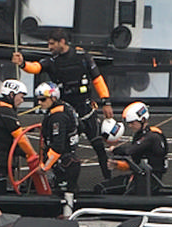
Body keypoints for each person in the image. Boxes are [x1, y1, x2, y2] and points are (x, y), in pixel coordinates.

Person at [11, 28, 114, 179]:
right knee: (61, 148)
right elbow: (36, 68)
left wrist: (106, 101)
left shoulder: (83, 57)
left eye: (52, 44)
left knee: (99, 147)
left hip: (86, 110)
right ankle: (57, 180)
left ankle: (108, 180)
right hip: (66, 113)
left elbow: (97, 79)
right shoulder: (52, 61)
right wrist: (22, 64)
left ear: (62, 42)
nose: (49, 47)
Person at [0, 79, 40, 194]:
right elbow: (20, 138)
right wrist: (32, 155)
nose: (22, 101)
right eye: (21, 97)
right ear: (11, 95)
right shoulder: (6, 112)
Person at [101, 101, 168, 195]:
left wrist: (115, 150)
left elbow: (130, 150)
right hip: (140, 176)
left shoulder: (152, 136)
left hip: (149, 181)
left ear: (143, 120)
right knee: (101, 188)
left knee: (105, 191)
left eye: (132, 123)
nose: (130, 126)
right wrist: (118, 165)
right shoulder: (141, 136)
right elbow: (136, 163)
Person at [34, 81, 81, 194]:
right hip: (69, 161)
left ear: (54, 98)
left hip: (64, 164)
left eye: (43, 99)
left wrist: (45, 166)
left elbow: (57, 147)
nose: (40, 102)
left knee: (62, 199)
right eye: (38, 99)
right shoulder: (66, 108)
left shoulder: (58, 117)